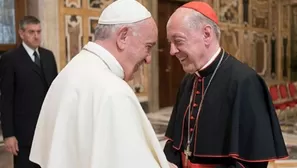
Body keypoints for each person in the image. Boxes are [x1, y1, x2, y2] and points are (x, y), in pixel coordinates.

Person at [29, 0, 169, 168]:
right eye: (148, 46)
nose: (148, 59)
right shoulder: (113, 91)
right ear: (123, 37)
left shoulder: (71, 71)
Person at [164, 2, 288, 168]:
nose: (172, 51)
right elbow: (175, 143)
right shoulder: (189, 80)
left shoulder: (245, 82)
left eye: (178, 41)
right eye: (169, 42)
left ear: (207, 34)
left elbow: (251, 161)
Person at [0, 16, 58, 168]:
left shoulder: (48, 56)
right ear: (21, 33)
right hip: (24, 134)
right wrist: (9, 134)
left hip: (47, 130)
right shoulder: (10, 59)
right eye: (31, 32)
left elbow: (55, 92)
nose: (36, 36)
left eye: (39, 31)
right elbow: (6, 99)